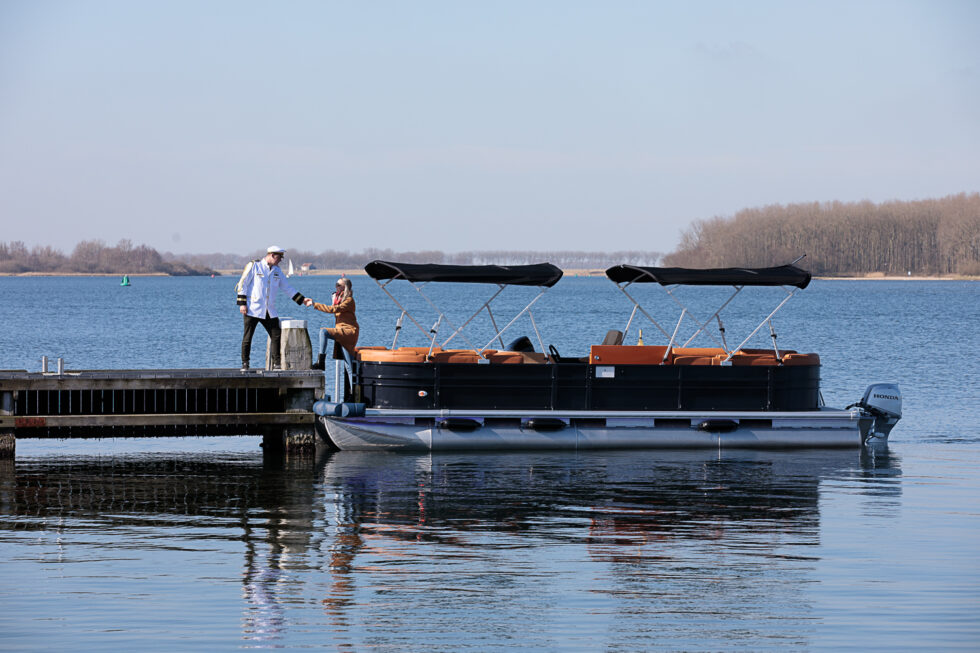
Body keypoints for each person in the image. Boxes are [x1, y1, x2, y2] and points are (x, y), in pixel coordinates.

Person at [235, 245, 313, 370]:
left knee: (276, 334)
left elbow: (287, 288)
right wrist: (242, 304)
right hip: (252, 308)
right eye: (279, 257)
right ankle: (245, 363)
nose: (280, 260)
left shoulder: (277, 271)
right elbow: (242, 284)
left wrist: (302, 300)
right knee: (248, 337)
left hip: (268, 310)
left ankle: (276, 364)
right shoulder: (255, 266)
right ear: (272, 255)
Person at [309, 277, 359, 370]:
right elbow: (335, 308)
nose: (336, 286)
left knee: (323, 332)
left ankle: (321, 362)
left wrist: (314, 304)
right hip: (342, 332)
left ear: (345, 287)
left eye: (338, 285)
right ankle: (355, 384)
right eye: (336, 284)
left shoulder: (349, 300)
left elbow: (334, 309)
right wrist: (334, 300)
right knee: (349, 367)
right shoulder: (339, 299)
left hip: (349, 332)